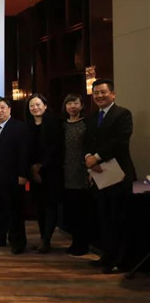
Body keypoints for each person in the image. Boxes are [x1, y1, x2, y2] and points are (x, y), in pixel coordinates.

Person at [84, 78, 136, 274]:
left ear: (112, 94)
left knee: (119, 220)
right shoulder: (92, 118)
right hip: (100, 176)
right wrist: (88, 158)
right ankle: (107, 256)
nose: (99, 96)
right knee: (104, 219)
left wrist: (96, 157)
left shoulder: (122, 114)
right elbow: (87, 142)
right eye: (96, 93)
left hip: (119, 176)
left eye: (103, 92)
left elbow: (120, 141)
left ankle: (121, 262)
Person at [0, 96, 29, 255]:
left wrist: (23, 174)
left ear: (9, 109)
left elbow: (24, 153)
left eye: (2, 107)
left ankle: (18, 242)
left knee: (14, 211)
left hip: (13, 177)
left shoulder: (20, 127)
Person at [25, 93, 63, 254]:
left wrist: (41, 166)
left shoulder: (55, 124)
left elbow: (56, 148)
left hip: (51, 171)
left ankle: (47, 240)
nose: (35, 108)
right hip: (34, 174)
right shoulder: (27, 125)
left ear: (45, 106)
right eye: (32, 105)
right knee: (39, 207)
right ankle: (42, 238)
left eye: (38, 104)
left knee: (50, 206)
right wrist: (32, 169)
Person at [60, 93, 90, 256]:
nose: (72, 106)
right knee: (70, 211)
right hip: (65, 172)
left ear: (81, 105)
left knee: (82, 211)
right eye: (69, 103)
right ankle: (75, 242)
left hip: (82, 172)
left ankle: (82, 244)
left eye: (76, 103)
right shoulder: (62, 125)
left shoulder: (87, 124)